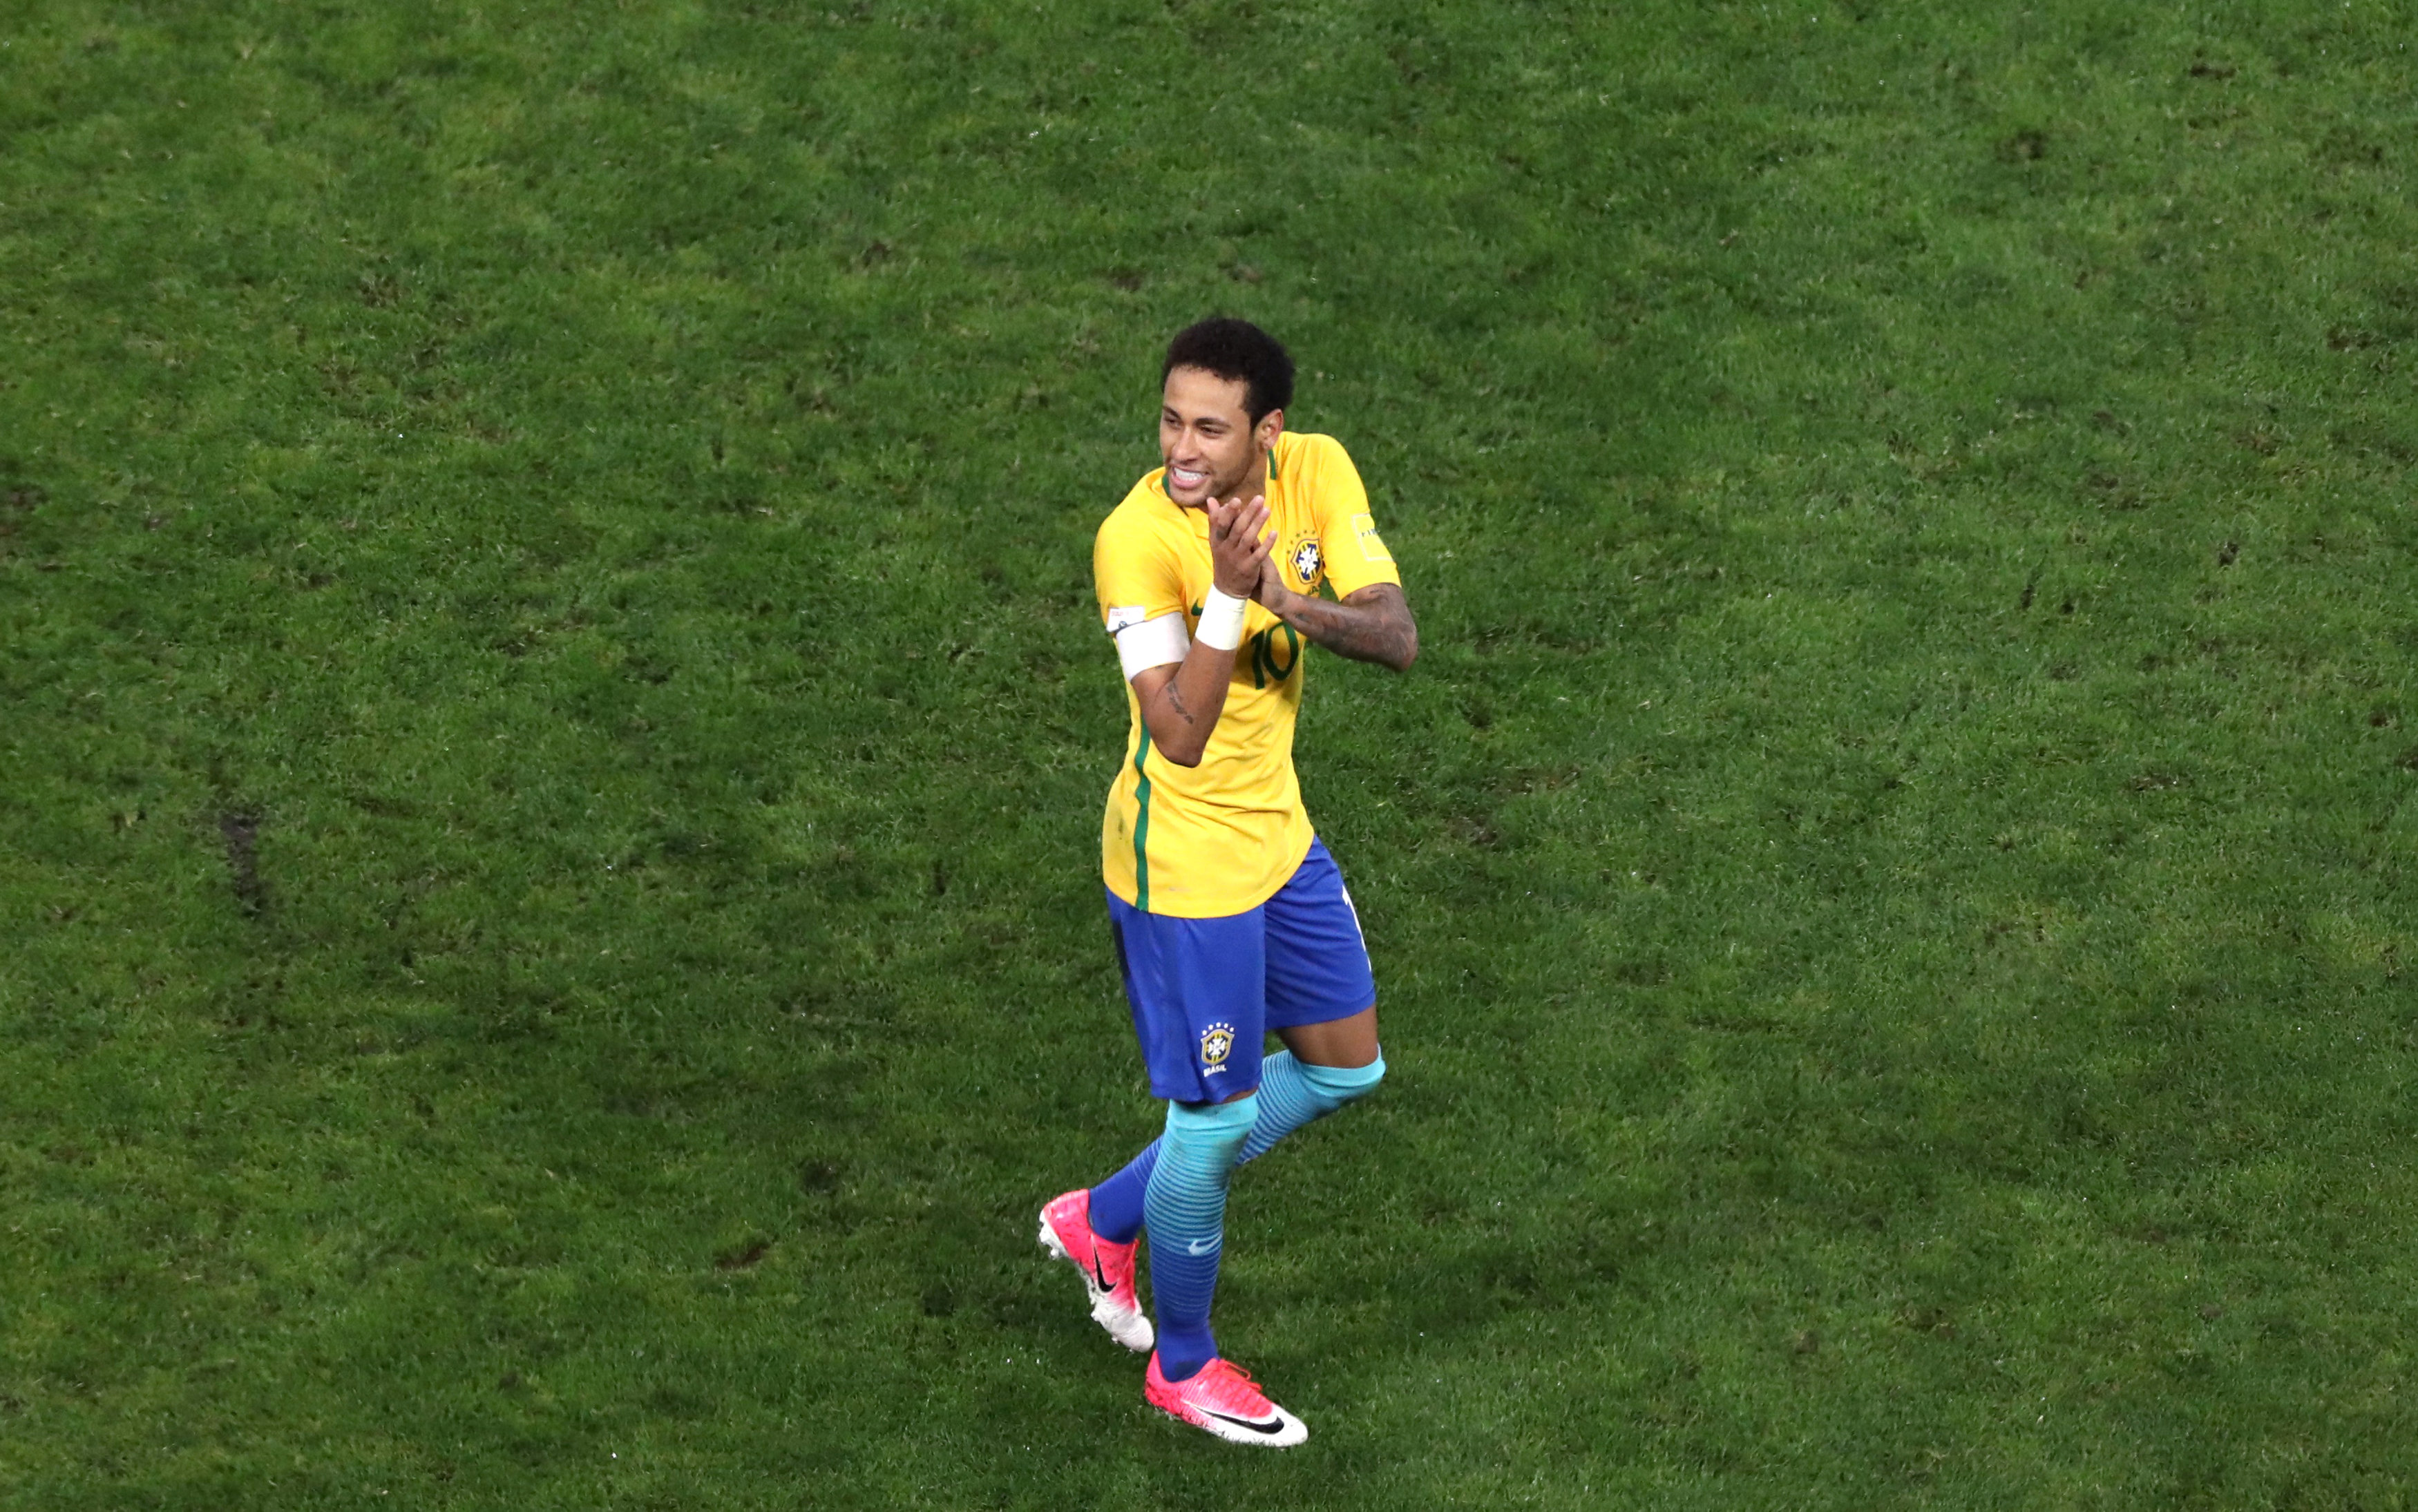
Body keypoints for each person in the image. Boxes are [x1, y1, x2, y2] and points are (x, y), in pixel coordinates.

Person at [1037, 317, 1418, 1447]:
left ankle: (1105, 1216)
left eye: (1210, 427)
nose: (1182, 448)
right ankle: (1185, 1365)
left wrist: (1283, 600)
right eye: (1170, 420)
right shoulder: (1136, 537)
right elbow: (1180, 733)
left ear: (1269, 432)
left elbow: (1395, 636)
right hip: (1183, 867)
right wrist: (1224, 594)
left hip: (1278, 839)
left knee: (1347, 1065)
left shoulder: (1317, 470)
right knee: (1215, 1120)